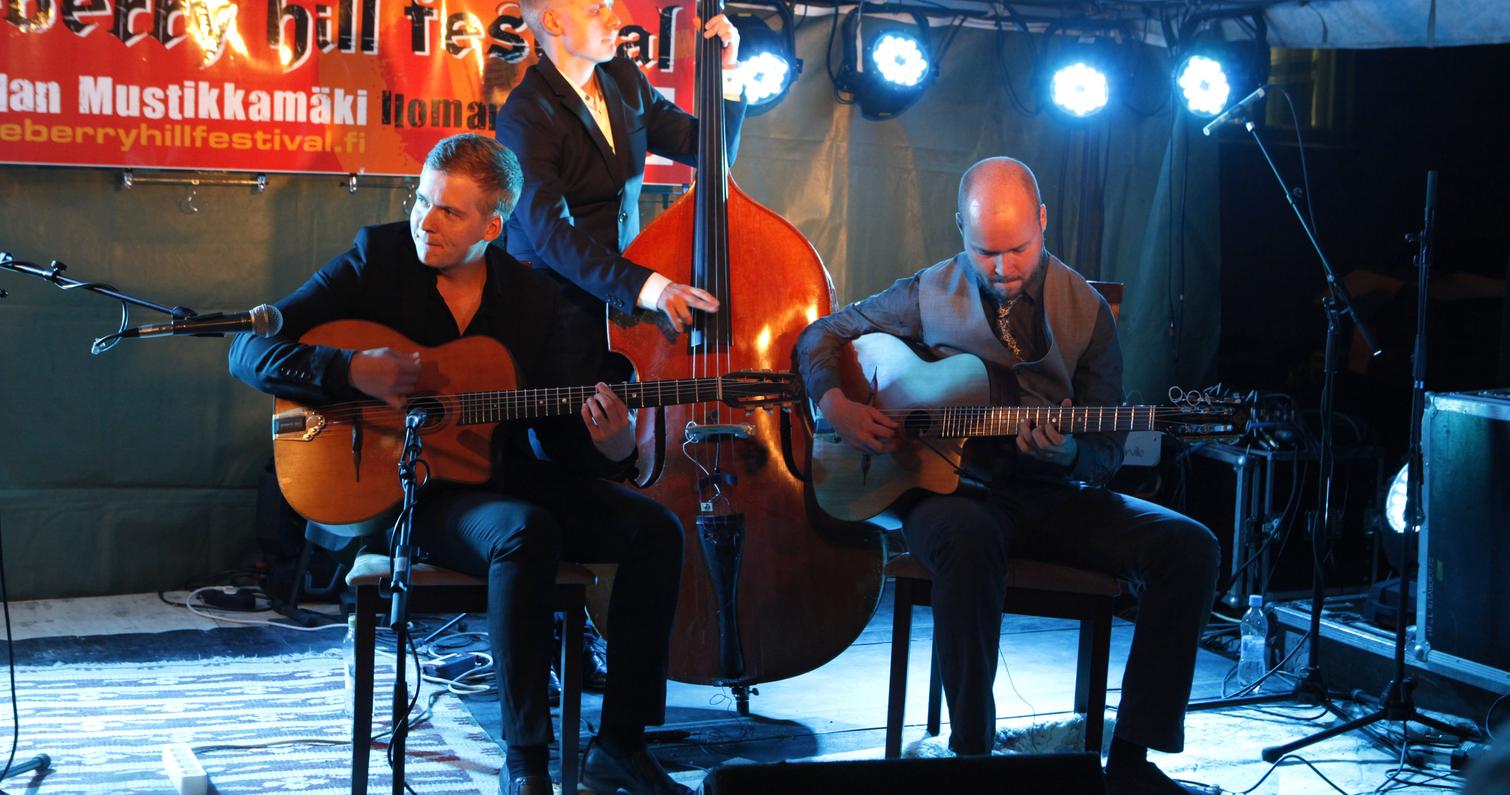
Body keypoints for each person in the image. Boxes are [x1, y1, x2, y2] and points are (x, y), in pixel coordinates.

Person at [228, 134, 692, 795]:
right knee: (525, 531)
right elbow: (249, 351)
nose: (426, 220)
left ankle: (620, 743)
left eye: (449, 210)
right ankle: (526, 759)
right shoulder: (376, 258)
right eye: (422, 200)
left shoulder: (532, 301)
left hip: (501, 479)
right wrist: (349, 369)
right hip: (413, 491)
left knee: (655, 531)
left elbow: (562, 439)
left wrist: (614, 450)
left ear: (493, 227)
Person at [794, 157, 1220, 794]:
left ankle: (1131, 763)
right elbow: (820, 337)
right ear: (959, 231)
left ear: (1042, 220)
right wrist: (837, 405)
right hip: (948, 492)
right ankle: (974, 761)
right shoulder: (924, 292)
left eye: (1018, 248)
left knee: (1190, 547)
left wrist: (1067, 455)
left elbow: (1105, 453)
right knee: (968, 540)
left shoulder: (1087, 311)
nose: (1002, 268)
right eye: (985, 251)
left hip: (1051, 495)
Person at [494, 0, 746, 384]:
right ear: (552, 21)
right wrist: (654, 289)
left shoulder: (624, 78)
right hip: (557, 316)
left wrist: (726, 69)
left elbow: (711, 152)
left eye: (611, 6)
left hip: (626, 309)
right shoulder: (526, 112)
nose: (615, 21)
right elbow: (552, 235)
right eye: (596, 9)